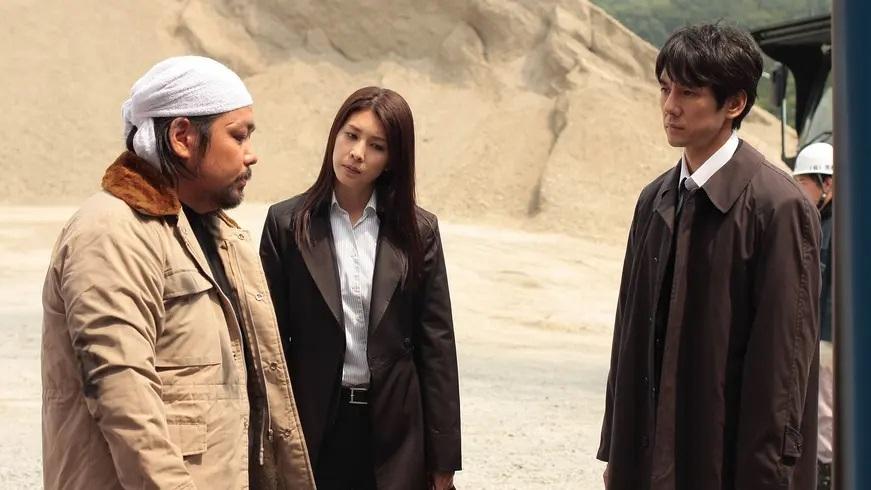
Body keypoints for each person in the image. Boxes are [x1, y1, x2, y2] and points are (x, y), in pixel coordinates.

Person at [41, 56, 315, 489]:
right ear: (183, 137)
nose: (251, 154)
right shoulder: (112, 233)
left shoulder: (217, 232)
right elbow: (125, 401)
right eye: (238, 135)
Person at [598, 24, 821, 489]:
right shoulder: (655, 199)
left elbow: (783, 369)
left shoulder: (778, 206)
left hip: (729, 467)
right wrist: (616, 454)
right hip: (649, 461)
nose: (670, 106)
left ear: (734, 104)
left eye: (689, 92)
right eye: (665, 89)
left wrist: (768, 477)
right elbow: (628, 338)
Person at [260, 87, 461, 490]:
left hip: (396, 433)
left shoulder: (418, 231)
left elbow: (436, 346)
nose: (357, 153)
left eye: (376, 146)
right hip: (313, 426)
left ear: (392, 160)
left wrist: (443, 458)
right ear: (335, 134)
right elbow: (268, 342)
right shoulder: (286, 224)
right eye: (351, 136)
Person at [792, 141, 835, 490]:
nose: (799, 191)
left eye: (803, 183)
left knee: (824, 409)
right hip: (816, 335)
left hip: (828, 338)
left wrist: (826, 339)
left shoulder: (838, 228)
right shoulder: (815, 222)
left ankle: (826, 473)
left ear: (827, 184)